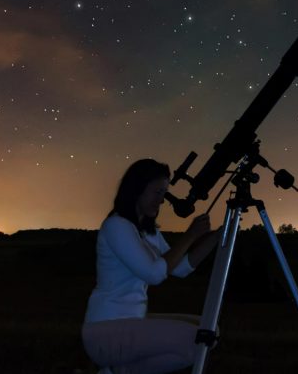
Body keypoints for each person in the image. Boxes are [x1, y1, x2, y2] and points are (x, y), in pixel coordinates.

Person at [82, 158, 221, 374]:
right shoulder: (116, 226)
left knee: (210, 328)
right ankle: (118, 371)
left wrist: (218, 236)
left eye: (163, 194)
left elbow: (180, 268)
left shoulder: (148, 232)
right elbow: (154, 274)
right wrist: (191, 235)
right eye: (157, 193)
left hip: (132, 320)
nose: (161, 201)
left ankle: (117, 371)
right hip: (105, 330)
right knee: (198, 341)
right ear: (137, 190)